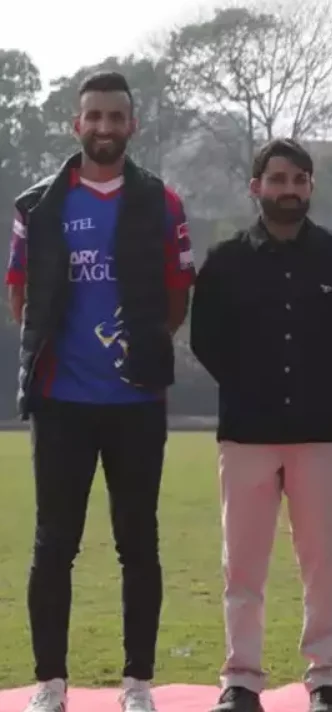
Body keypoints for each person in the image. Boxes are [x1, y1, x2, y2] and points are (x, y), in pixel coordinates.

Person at [8, 71, 196, 712]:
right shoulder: (39, 203)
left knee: (137, 543)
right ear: (76, 124)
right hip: (62, 402)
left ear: (132, 125)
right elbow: (19, 292)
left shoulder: (161, 202)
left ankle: (137, 683)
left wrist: (144, 345)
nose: (105, 128)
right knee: (52, 543)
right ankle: (50, 684)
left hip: (136, 402)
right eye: (94, 116)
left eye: (116, 117)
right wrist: (48, 355)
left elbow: (178, 292)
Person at [190, 138, 332, 712]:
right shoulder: (225, 260)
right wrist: (255, 388)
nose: (288, 189)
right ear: (256, 186)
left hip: (318, 429)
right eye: (277, 179)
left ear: (310, 187)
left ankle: (324, 679)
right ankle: (241, 679)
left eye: (298, 180)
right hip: (246, 430)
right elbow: (206, 341)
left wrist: (306, 387)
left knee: (322, 562)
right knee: (242, 564)